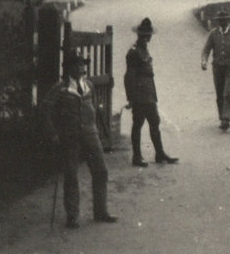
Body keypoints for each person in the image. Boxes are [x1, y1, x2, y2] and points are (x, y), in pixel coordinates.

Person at [40, 52, 118, 229]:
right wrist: (53, 134)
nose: (81, 68)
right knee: (71, 175)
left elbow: (95, 108)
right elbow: (44, 110)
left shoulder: (89, 85)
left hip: (91, 136)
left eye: (83, 65)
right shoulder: (60, 88)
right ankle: (73, 216)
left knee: (101, 171)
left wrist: (96, 130)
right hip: (70, 137)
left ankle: (101, 212)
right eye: (76, 65)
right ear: (69, 69)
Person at [124, 17, 178, 167]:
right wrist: (131, 98)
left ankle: (159, 153)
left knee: (154, 122)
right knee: (138, 124)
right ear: (143, 36)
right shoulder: (134, 52)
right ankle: (137, 156)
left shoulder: (143, 49)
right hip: (140, 94)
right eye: (147, 34)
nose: (149, 36)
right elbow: (129, 76)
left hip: (148, 92)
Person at [201, 10, 230, 131]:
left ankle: (226, 118)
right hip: (217, 67)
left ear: (228, 20)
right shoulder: (214, 33)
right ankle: (222, 116)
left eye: (224, 20)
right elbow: (206, 49)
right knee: (219, 93)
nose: (222, 22)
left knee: (227, 92)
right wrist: (204, 61)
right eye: (220, 20)